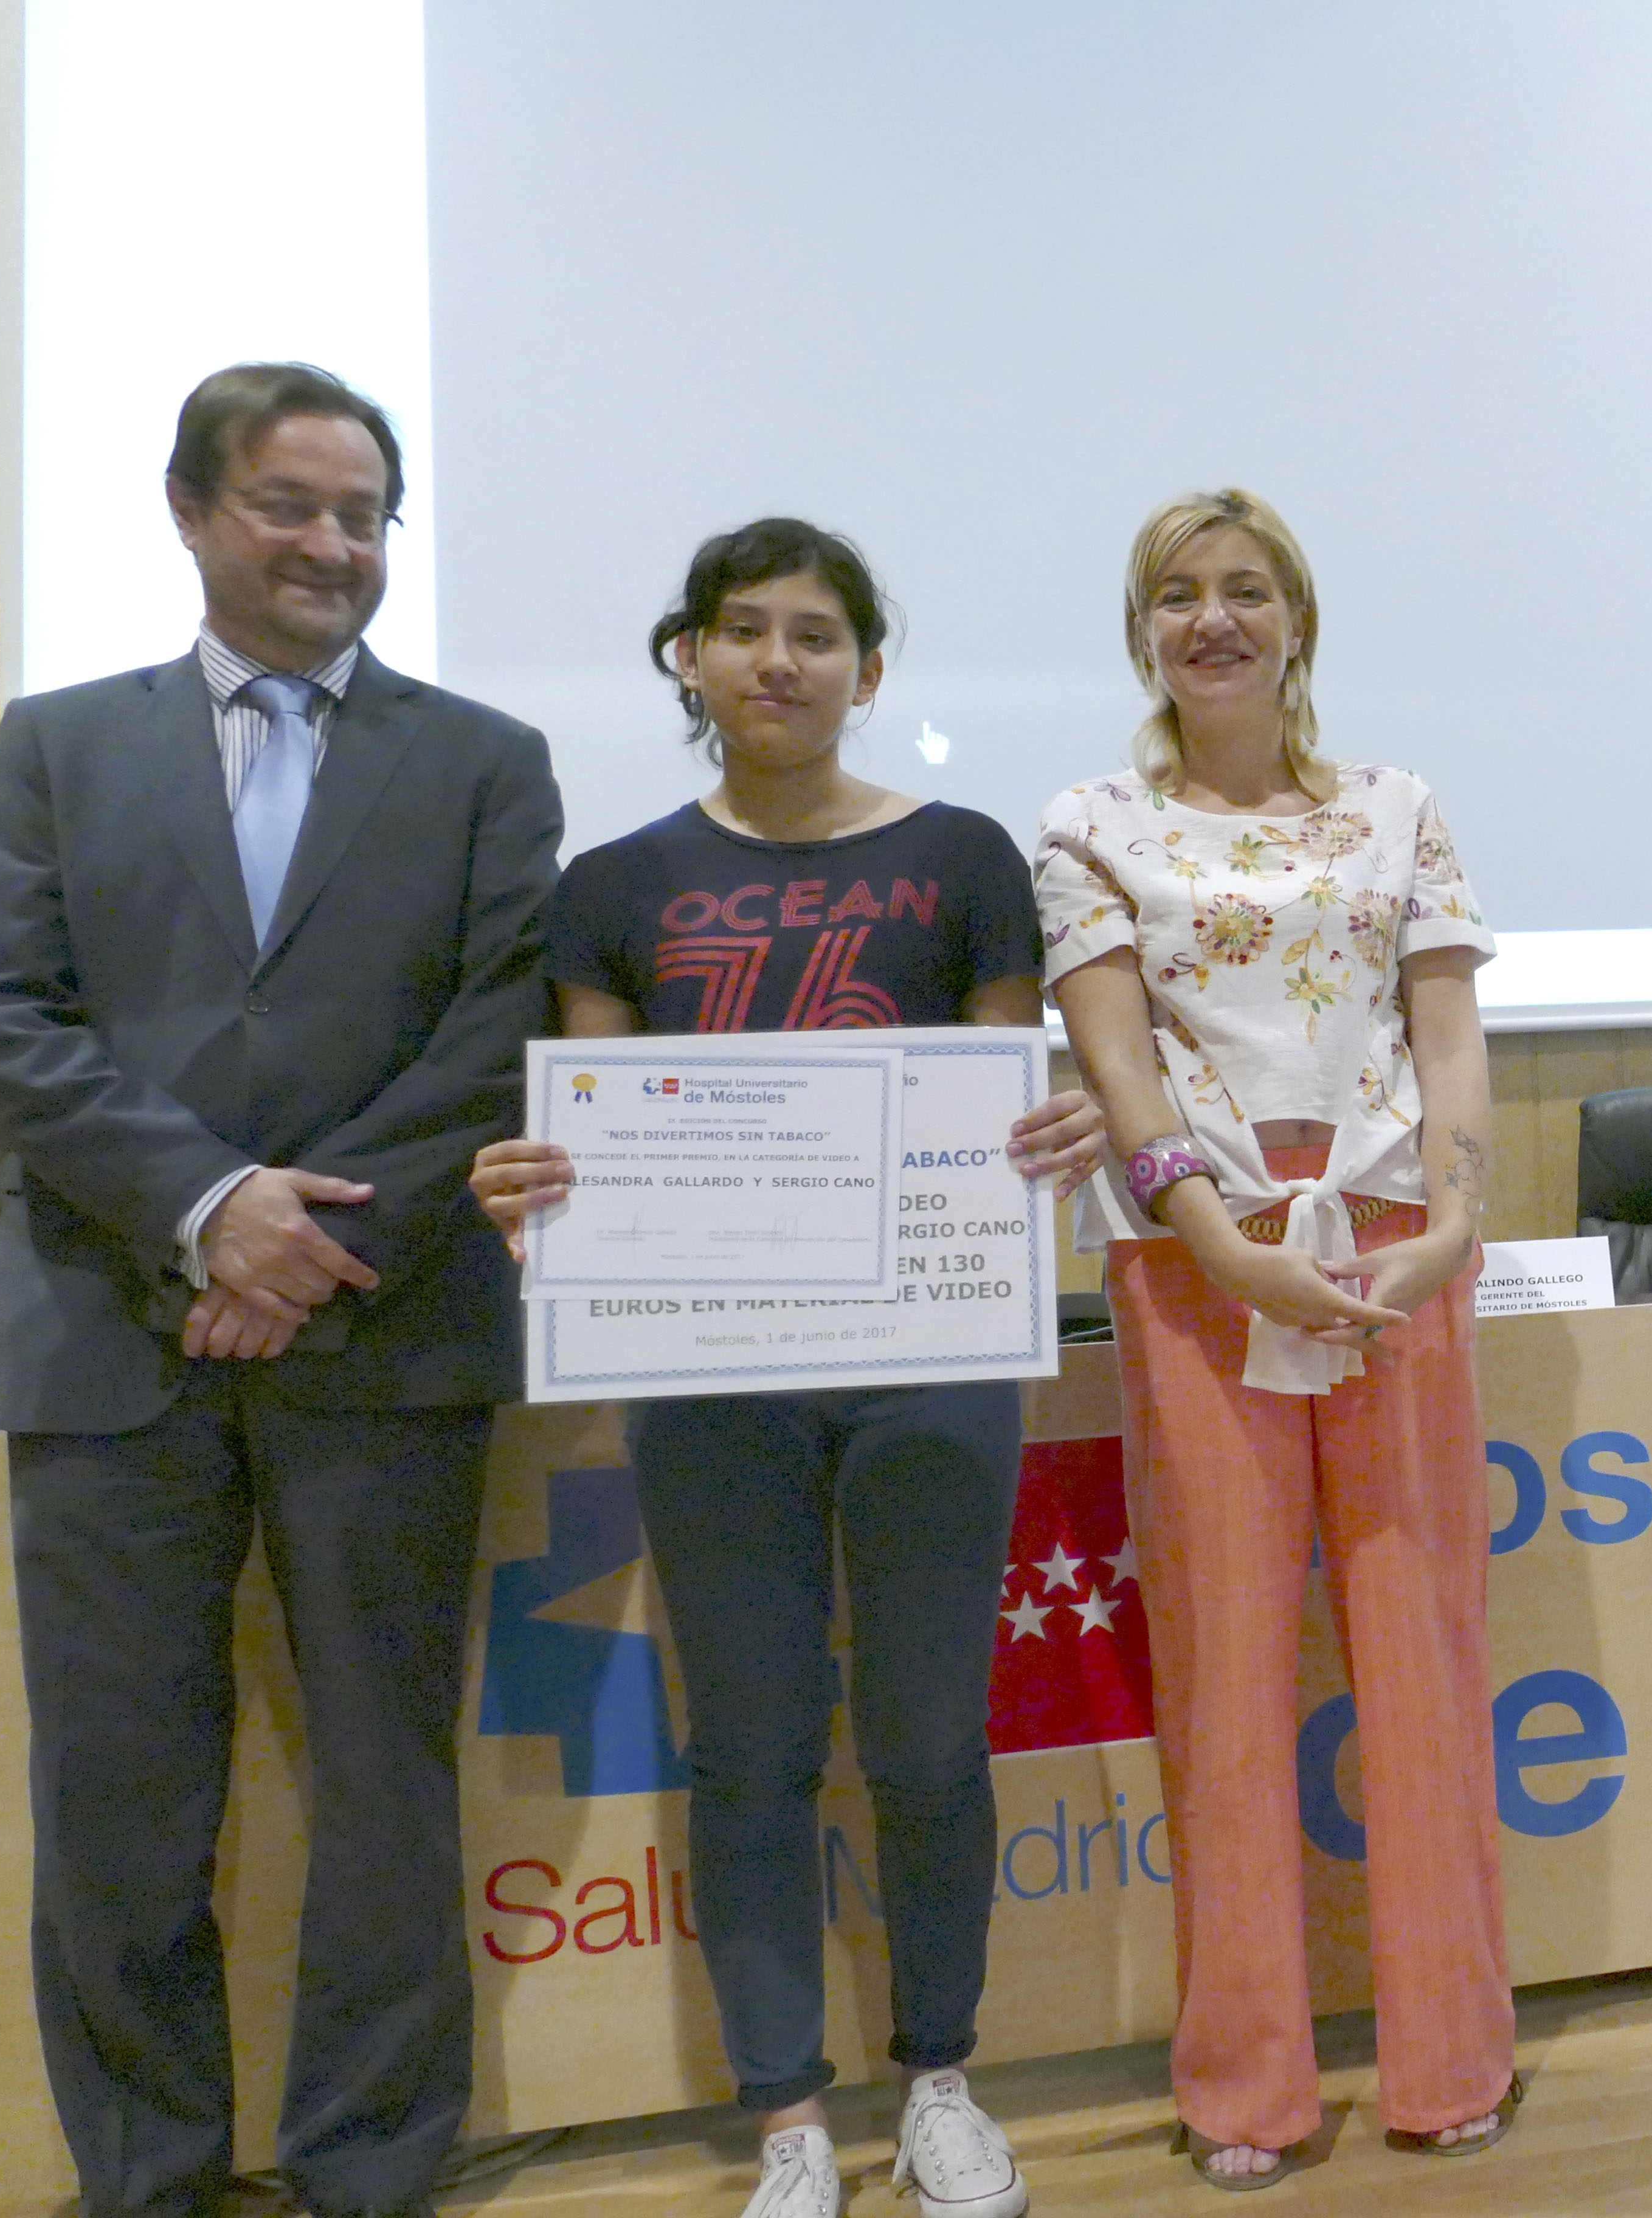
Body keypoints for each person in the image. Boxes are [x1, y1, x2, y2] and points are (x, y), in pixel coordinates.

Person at [0, 362, 561, 2218]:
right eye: (288, 505)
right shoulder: (56, 746)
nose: (330, 545)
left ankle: (370, 2170)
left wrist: (301, 1248)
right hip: (105, 1333)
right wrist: (208, 1207)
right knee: (120, 1799)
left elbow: (496, 1039)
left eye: (362, 515)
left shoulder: (486, 762)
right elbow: (1, 1014)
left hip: (384, 1334)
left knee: (386, 1784)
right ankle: (146, 2177)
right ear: (192, 511)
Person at [468, 519, 1101, 2218]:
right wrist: (546, 1190)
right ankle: (790, 2121)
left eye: (817, 633)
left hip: (930, 1364)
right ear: (691, 656)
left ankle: (943, 2082)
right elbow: (597, 1130)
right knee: (747, 1741)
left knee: (929, 1737)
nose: (778, 659)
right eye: (743, 628)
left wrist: (1057, 1130)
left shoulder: (966, 857)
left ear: (869, 669)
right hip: (714, 1378)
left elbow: (998, 1100)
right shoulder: (612, 887)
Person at [1037, 489, 1517, 2191]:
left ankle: (1453, 2055)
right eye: (1178, 594)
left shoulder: (1399, 809)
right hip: (1199, 1263)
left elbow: (1447, 1035)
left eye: (1246, 591)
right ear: (1143, 630)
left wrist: (1450, 1225)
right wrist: (1220, 1245)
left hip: (1393, 1251)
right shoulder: (1089, 824)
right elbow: (1118, 1067)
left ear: (1299, 622)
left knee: (1421, 1648)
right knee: (1227, 1671)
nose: (1214, 619)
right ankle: (1246, 2085)